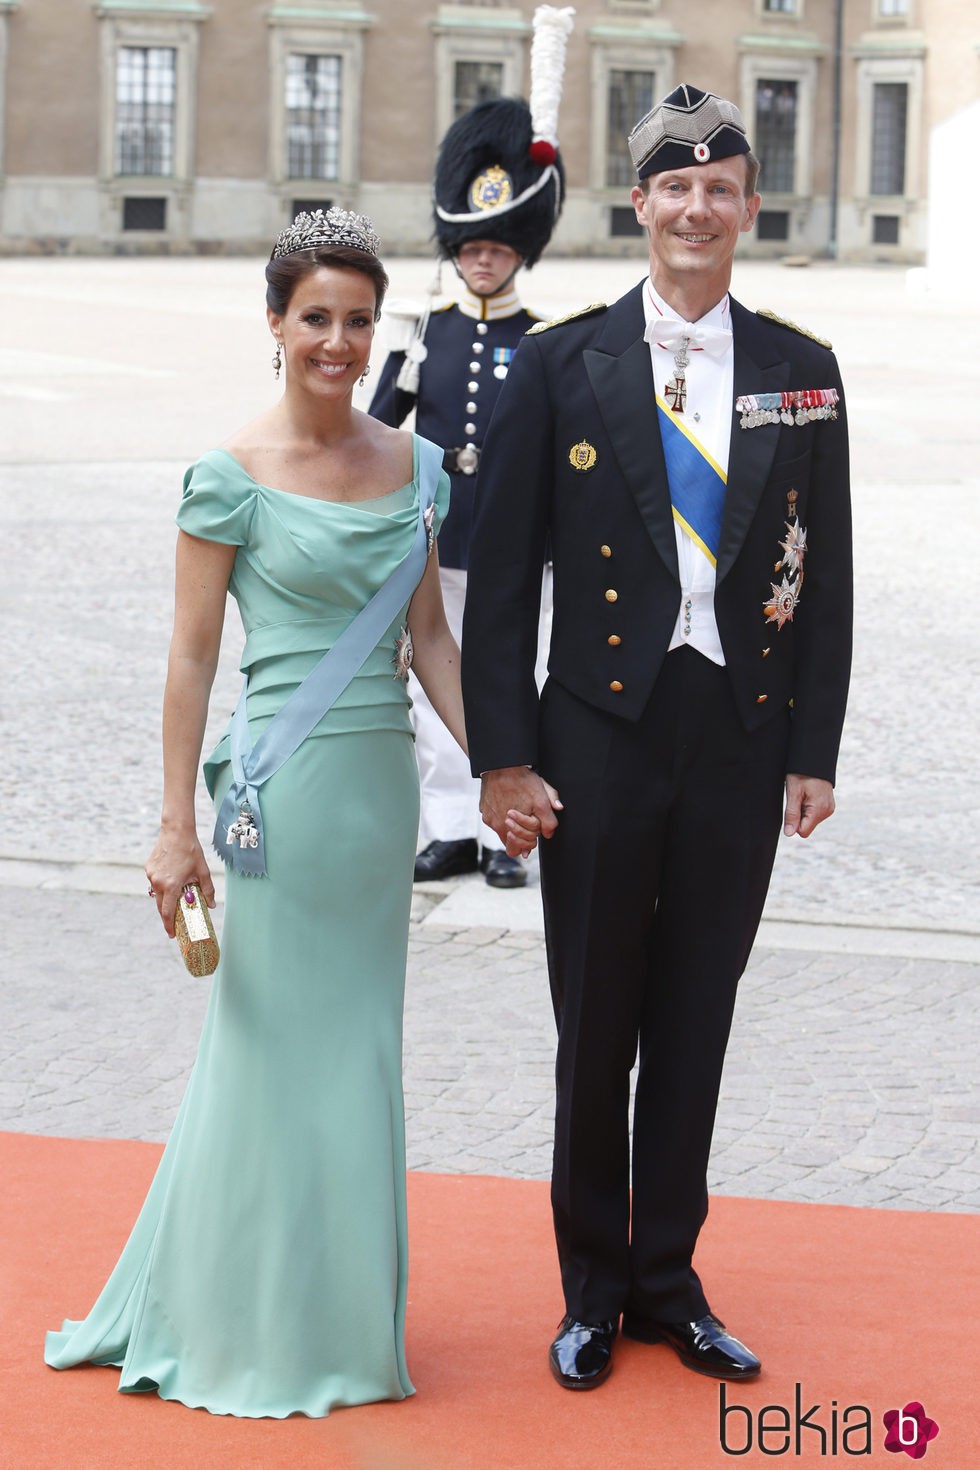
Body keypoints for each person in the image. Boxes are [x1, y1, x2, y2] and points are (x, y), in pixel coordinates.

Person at [43, 207, 536, 1418]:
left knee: (357, 1055)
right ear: (274, 324)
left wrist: (498, 770)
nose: (337, 340)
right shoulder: (227, 476)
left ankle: (337, 1317)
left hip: (370, 806)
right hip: (279, 805)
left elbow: (429, 640)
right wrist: (171, 828)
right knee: (264, 1057)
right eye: (314, 317)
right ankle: (239, 1312)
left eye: (358, 320)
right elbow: (190, 662)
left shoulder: (414, 468)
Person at [462, 84, 852, 1390]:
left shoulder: (803, 371)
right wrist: (502, 759)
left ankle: (670, 1282)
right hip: (598, 735)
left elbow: (828, 572)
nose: (697, 207)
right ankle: (590, 1286)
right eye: (673, 187)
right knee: (598, 1021)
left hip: (738, 735)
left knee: (696, 1013)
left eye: (720, 188)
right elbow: (505, 574)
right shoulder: (562, 364)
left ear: (749, 206)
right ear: (642, 203)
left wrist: (815, 746)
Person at [370, 7, 574, 891]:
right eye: (473, 249)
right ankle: (451, 826)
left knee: (508, 679)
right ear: (457, 250)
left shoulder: (548, 340)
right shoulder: (426, 332)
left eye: (498, 249)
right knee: (429, 687)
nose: (484, 262)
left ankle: (506, 837)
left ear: (519, 253)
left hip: (515, 545)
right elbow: (377, 434)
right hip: (437, 544)